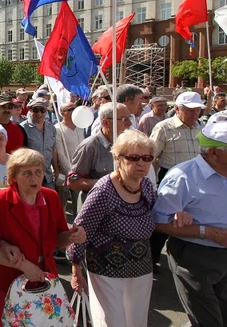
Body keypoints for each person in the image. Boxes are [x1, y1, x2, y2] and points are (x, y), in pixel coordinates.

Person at [69, 130, 175, 327]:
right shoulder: (103, 191)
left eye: (146, 158)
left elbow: (158, 215)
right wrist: (76, 270)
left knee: (136, 321)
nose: (141, 163)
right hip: (106, 268)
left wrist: (177, 214)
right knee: (112, 322)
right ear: (118, 158)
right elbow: (81, 230)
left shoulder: (145, 185)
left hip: (141, 266)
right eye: (134, 158)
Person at [0, 148, 86, 327]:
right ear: (13, 176)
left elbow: (59, 237)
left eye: (38, 172)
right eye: (27, 173)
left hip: (44, 280)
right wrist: (23, 265)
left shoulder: (51, 197)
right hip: (7, 283)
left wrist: (72, 236)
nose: (34, 178)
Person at [152, 121, 227, 327]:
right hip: (194, 257)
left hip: (223, 257)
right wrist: (209, 233)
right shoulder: (182, 177)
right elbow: (158, 223)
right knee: (208, 321)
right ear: (212, 152)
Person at [149, 91, 203, 270]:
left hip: (197, 180)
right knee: (164, 222)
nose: (195, 114)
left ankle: (187, 260)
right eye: (190, 110)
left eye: (197, 110)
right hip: (171, 180)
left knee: (193, 220)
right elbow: (150, 156)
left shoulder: (200, 127)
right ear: (178, 109)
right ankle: (151, 258)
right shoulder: (164, 128)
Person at [68, 103, 132, 201]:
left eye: (129, 118)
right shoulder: (90, 146)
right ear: (106, 123)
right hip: (97, 207)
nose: (129, 124)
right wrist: (107, 183)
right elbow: (72, 182)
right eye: (124, 119)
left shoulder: (128, 143)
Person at [20, 98, 58, 189]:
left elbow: (53, 150)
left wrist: (56, 169)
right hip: (30, 176)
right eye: (35, 110)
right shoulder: (22, 128)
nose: (39, 113)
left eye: (42, 110)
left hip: (47, 175)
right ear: (30, 110)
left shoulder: (51, 128)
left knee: (49, 201)